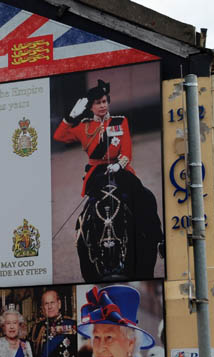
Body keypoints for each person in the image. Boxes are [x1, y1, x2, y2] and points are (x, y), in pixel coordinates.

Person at [53, 79, 162, 282]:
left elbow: (127, 151)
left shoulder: (120, 122)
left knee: (146, 197)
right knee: (87, 212)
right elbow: (59, 136)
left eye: (104, 101)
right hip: (97, 173)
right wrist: (70, 117)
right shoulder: (84, 126)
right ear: (91, 106)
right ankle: (84, 243)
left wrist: (119, 165)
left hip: (120, 169)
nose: (102, 105)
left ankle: (158, 239)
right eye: (97, 102)